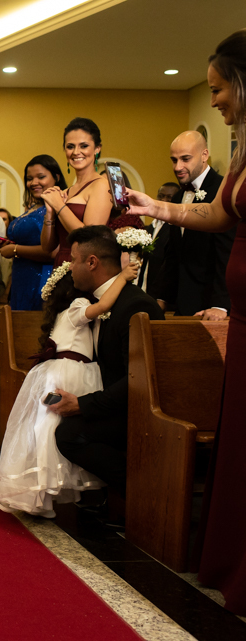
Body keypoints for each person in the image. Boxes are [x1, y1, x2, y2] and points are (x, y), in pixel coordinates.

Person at [125, 29, 246, 615]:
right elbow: (222, 214)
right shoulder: (245, 149)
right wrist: (159, 209)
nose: (215, 100)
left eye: (220, 89)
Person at [0, 258, 139, 517]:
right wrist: (122, 277)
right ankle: (42, 493)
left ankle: (40, 496)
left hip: (58, 370)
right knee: (50, 431)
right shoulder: (79, 305)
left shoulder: (61, 313)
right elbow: (103, 305)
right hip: (71, 371)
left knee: (45, 432)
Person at [45, 226, 164, 526]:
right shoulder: (96, 303)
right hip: (114, 400)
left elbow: (139, 378)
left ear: (92, 262)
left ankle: (145, 494)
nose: (69, 267)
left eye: (73, 260)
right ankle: (104, 495)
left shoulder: (135, 305)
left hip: (138, 408)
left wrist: (84, 405)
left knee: (69, 435)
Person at [154, 131, 234, 319]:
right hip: (182, 304)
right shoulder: (178, 197)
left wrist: (220, 306)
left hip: (211, 307)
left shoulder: (221, 191)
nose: (178, 167)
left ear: (204, 155)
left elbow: (227, 254)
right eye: (174, 160)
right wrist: (162, 298)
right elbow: (174, 255)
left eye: (185, 159)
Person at [41, 118, 114, 267]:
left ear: (97, 148)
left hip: (84, 266)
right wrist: (50, 212)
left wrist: (59, 205)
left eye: (84, 146)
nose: (76, 152)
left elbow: (90, 237)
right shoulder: (67, 191)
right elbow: (47, 247)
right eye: (70, 146)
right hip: (60, 264)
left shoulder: (101, 185)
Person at [0, 155, 66, 311]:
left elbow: (54, 251)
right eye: (29, 178)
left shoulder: (58, 207)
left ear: (56, 177)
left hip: (42, 278)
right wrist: (11, 244)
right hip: (22, 276)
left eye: (41, 177)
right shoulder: (35, 207)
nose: (34, 183)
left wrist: (15, 250)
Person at [138, 181, 182, 296]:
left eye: (169, 197)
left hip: (163, 291)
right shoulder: (151, 227)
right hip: (145, 285)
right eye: (161, 196)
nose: (163, 200)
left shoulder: (176, 227)